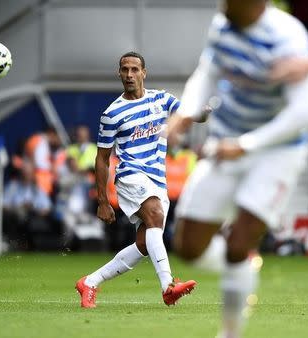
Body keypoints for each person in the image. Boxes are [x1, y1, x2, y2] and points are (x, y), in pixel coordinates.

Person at [167, 1, 308, 337]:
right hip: (225, 142)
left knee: (239, 241)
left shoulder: (286, 37)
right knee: (188, 247)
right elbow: (208, 71)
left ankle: (230, 333)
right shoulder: (222, 25)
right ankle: (244, 269)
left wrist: (246, 145)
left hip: (277, 151)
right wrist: (186, 112)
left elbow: (305, 113)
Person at [75, 51, 196, 309]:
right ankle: (168, 287)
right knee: (154, 215)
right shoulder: (112, 113)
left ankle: (90, 282)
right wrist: (103, 201)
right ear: (119, 73)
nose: (129, 75)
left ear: (144, 72)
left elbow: (190, 115)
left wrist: (205, 111)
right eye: (124, 70)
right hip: (130, 176)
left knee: (143, 244)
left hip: (157, 180)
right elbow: (102, 159)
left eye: (134, 69)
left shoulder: (162, 99)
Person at [2, 161, 52, 250]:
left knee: (29, 218)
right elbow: (4, 205)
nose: (26, 176)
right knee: (21, 214)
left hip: (33, 216)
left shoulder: (37, 189)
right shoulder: (13, 187)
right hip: (15, 216)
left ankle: (30, 245)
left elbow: (47, 207)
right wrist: (19, 207)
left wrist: (35, 209)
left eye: (28, 173)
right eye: (24, 173)